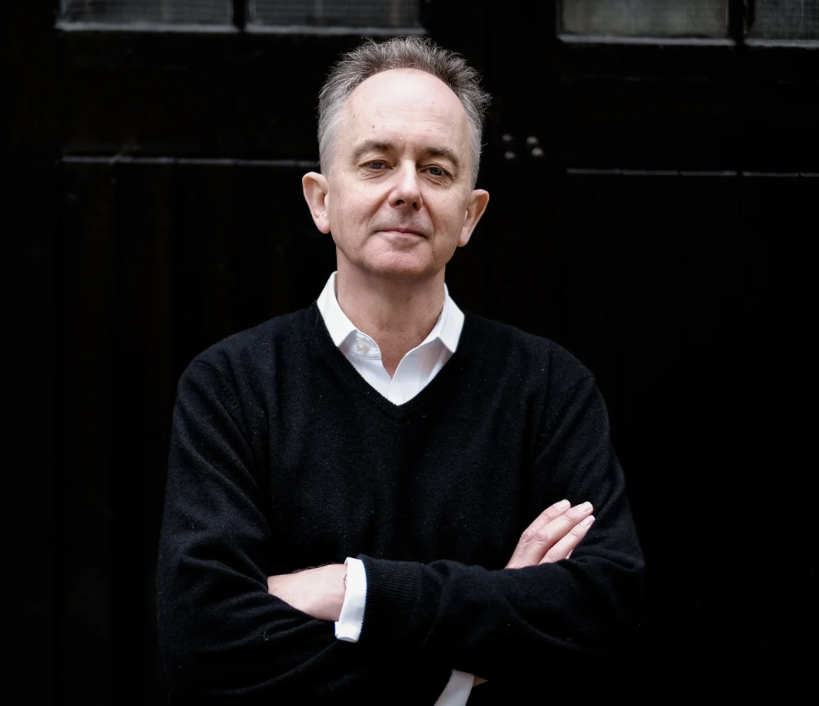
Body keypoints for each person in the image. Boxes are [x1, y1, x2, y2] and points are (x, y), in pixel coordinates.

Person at [157, 37, 643, 705]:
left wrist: (349, 589)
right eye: (377, 163)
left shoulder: (549, 390)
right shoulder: (232, 387)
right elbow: (204, 641)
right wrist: (466, 665)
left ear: (470, 214)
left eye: (438, 170)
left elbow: (603, 613)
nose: (408, 191)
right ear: (320, 200)